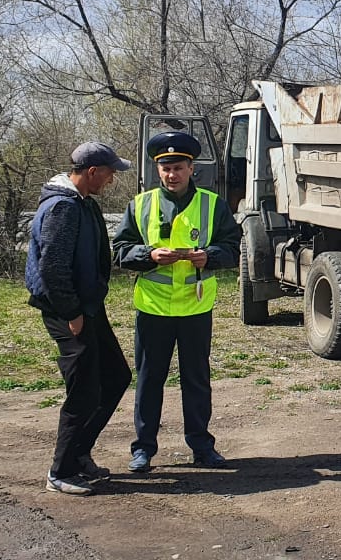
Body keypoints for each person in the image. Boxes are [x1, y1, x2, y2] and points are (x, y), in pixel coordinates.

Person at [113, 131, 241, 472]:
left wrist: (210, 257)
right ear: (158, 170)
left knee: (196, 380)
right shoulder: (140, 205)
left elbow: (232, 248)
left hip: (195, 309)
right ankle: (143, 449)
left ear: (191, 168)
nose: (173, 174)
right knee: (149, 381)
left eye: (179, 167)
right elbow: (120, 251)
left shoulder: (212, 205)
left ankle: (201, 446)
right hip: (153, 309)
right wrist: (149, 254)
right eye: (166, 168)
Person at [26, 142, 134, 496]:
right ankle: (61, 471)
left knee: (116, 376)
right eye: (110, 173)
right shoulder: (63, 207)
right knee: (84, 390)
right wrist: (71, 312)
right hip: (67, 310)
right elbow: (52, 267)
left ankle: (79, 453)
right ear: (91, 172)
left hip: (86, 307)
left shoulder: (82, 202)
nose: (112, 180)